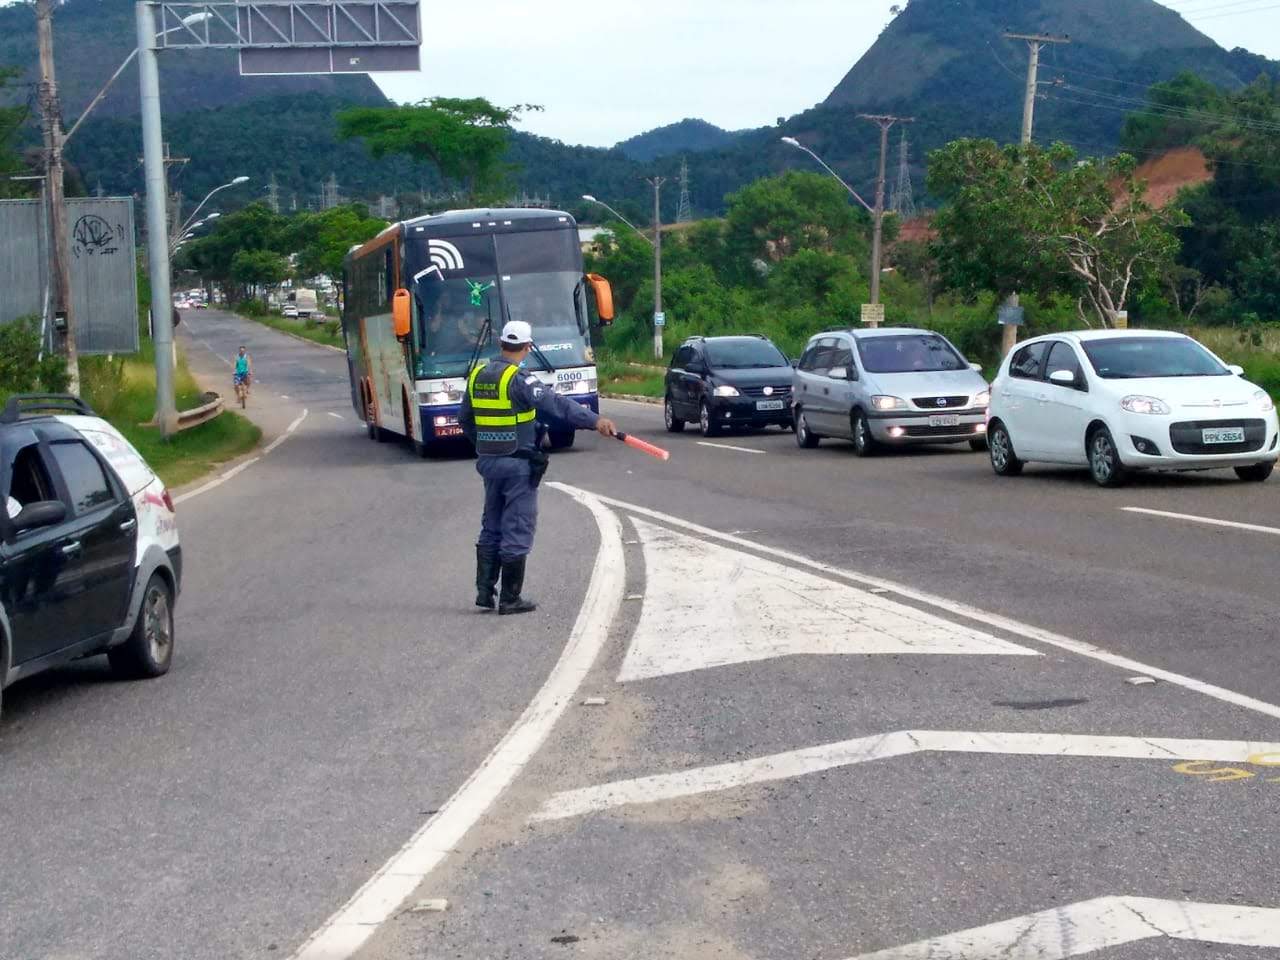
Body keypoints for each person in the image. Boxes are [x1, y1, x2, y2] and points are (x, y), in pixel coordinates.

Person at [459, 320, 617, 615]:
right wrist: (594, 421)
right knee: (518, 525)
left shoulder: (477, 375)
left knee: (491, 525)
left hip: (489, 462)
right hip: (518, 463)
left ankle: (484, 592)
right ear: (528, 347)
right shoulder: (518, 379)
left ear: (501, 343)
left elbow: (464, 418)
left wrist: (484, 444)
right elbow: (556, 404)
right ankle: (509, 598)